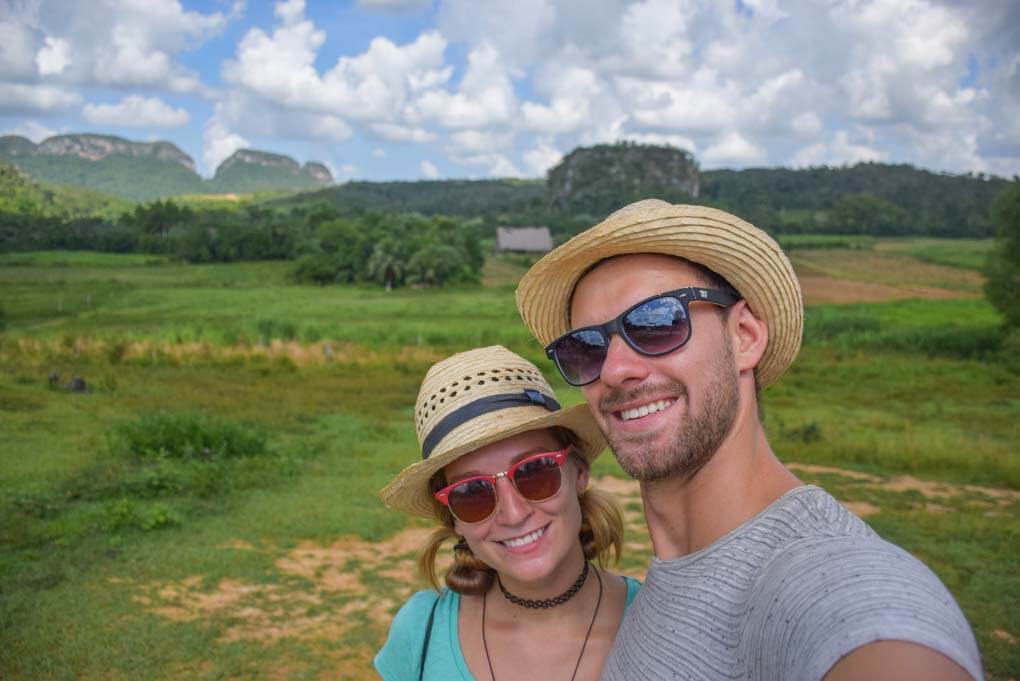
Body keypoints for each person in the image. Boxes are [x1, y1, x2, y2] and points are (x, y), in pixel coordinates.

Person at [515, 199, 984, 681]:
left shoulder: (833, 582)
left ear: (744, 335)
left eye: (656, 323)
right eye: (585, 348)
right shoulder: (667, 582)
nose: (615, 370)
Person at [376, 345, 640, 681]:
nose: (513, 514)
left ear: (579, 472)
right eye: (472, 493)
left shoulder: (661, 626)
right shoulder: (419, 633)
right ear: (453, 518)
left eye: (535, 472)